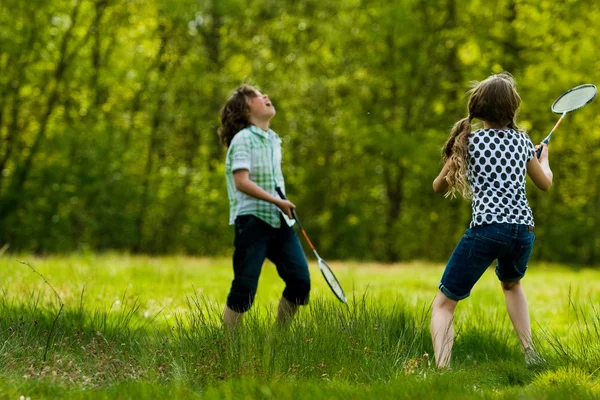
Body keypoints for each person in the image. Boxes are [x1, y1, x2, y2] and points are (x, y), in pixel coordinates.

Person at [430, 73, 553, 368]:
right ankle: (530, 354)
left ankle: (442, 369)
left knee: (444, 305)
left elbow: (438, 186)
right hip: (522, 232)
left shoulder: (469, 141)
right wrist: (543, 158)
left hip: (487, 230)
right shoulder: (523, 142)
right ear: (512, 109)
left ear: (478, 107)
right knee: (512, 286)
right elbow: (545, 184)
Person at [218, 84, 311, 329]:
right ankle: (226, 345)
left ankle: (278, 340)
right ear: (245, 110)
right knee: (245, 287)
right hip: (252, 220)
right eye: (258, 97)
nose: (266, 97)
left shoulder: (272, 139)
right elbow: (241, 182)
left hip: (278, 220)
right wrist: (277, 201)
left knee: (300, 282)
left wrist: (279, 204)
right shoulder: (243, 139)